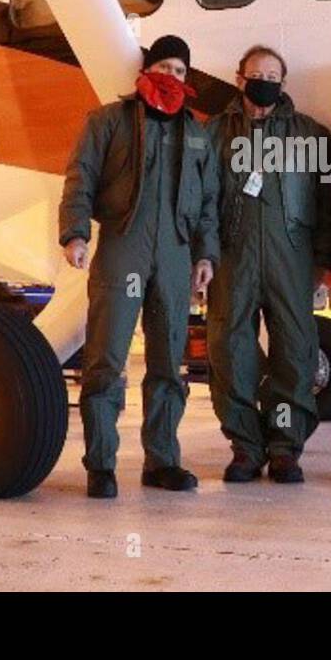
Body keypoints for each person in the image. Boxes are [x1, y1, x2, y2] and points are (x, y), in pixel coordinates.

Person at [59, 35, 219, 499]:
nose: (172, 77)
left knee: (169, 361)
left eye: (181, 72)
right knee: (107, 358)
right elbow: (81, 176)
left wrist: (205, 254)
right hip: (122, 245)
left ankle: (163, 460)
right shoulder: (108, 121)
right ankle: (101, 464)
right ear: (146, 72)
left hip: (175, 251)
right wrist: (75, 233)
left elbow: (208, 200)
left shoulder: (196, 133)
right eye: (165, 67)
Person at [206, 45, 331, 484]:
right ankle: (245, 447)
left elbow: (329, 202)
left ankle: (284, 447)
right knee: (230, 351)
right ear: (240, 78)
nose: (265, 80)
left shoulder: (312, 136)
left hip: (291, 260)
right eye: (256, 73)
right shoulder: (214, 134)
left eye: (273, 75)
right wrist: (204, 254)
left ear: (283, 82)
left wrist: (322, 260)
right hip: (231, 259)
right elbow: (200, 202)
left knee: (294, 354)